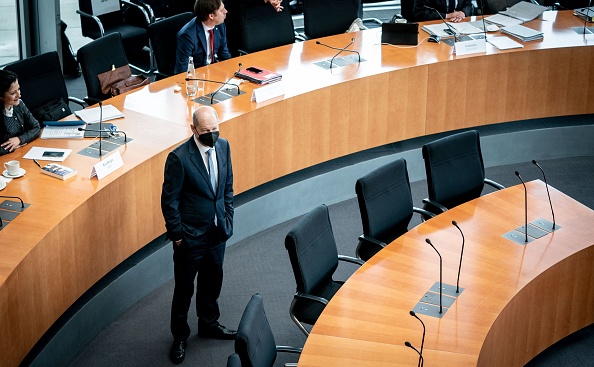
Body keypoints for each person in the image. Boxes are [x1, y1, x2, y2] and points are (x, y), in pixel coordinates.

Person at [161, 105, 235, 364]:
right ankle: (180, 336)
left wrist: (228, 217)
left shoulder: (224, 146)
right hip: (190, 237)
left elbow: (227, 187)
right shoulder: (179, 158)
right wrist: (178, 235)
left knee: (212, 281)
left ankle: (209, 324)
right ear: (193, 129)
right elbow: (169, 201)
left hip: (217, 232)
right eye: (206, 131)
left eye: (215, 128)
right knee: (184, 289)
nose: (212, 134)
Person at [174, 0, 232, 74]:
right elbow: (182, 71)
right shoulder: (187, 36)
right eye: (222, 10)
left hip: (213, 70)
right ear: (211, 16)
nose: (226, 11)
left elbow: (224, 54)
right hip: (197, 75)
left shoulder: (219, 25)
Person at [0, 70, 40, 156]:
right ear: (1, 96)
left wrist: (19, 139)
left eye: (18, 89)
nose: (19, 95)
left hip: (20, 154)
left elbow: (36, 127)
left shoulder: (19, 105)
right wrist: (10, 148)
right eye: (13, 93)